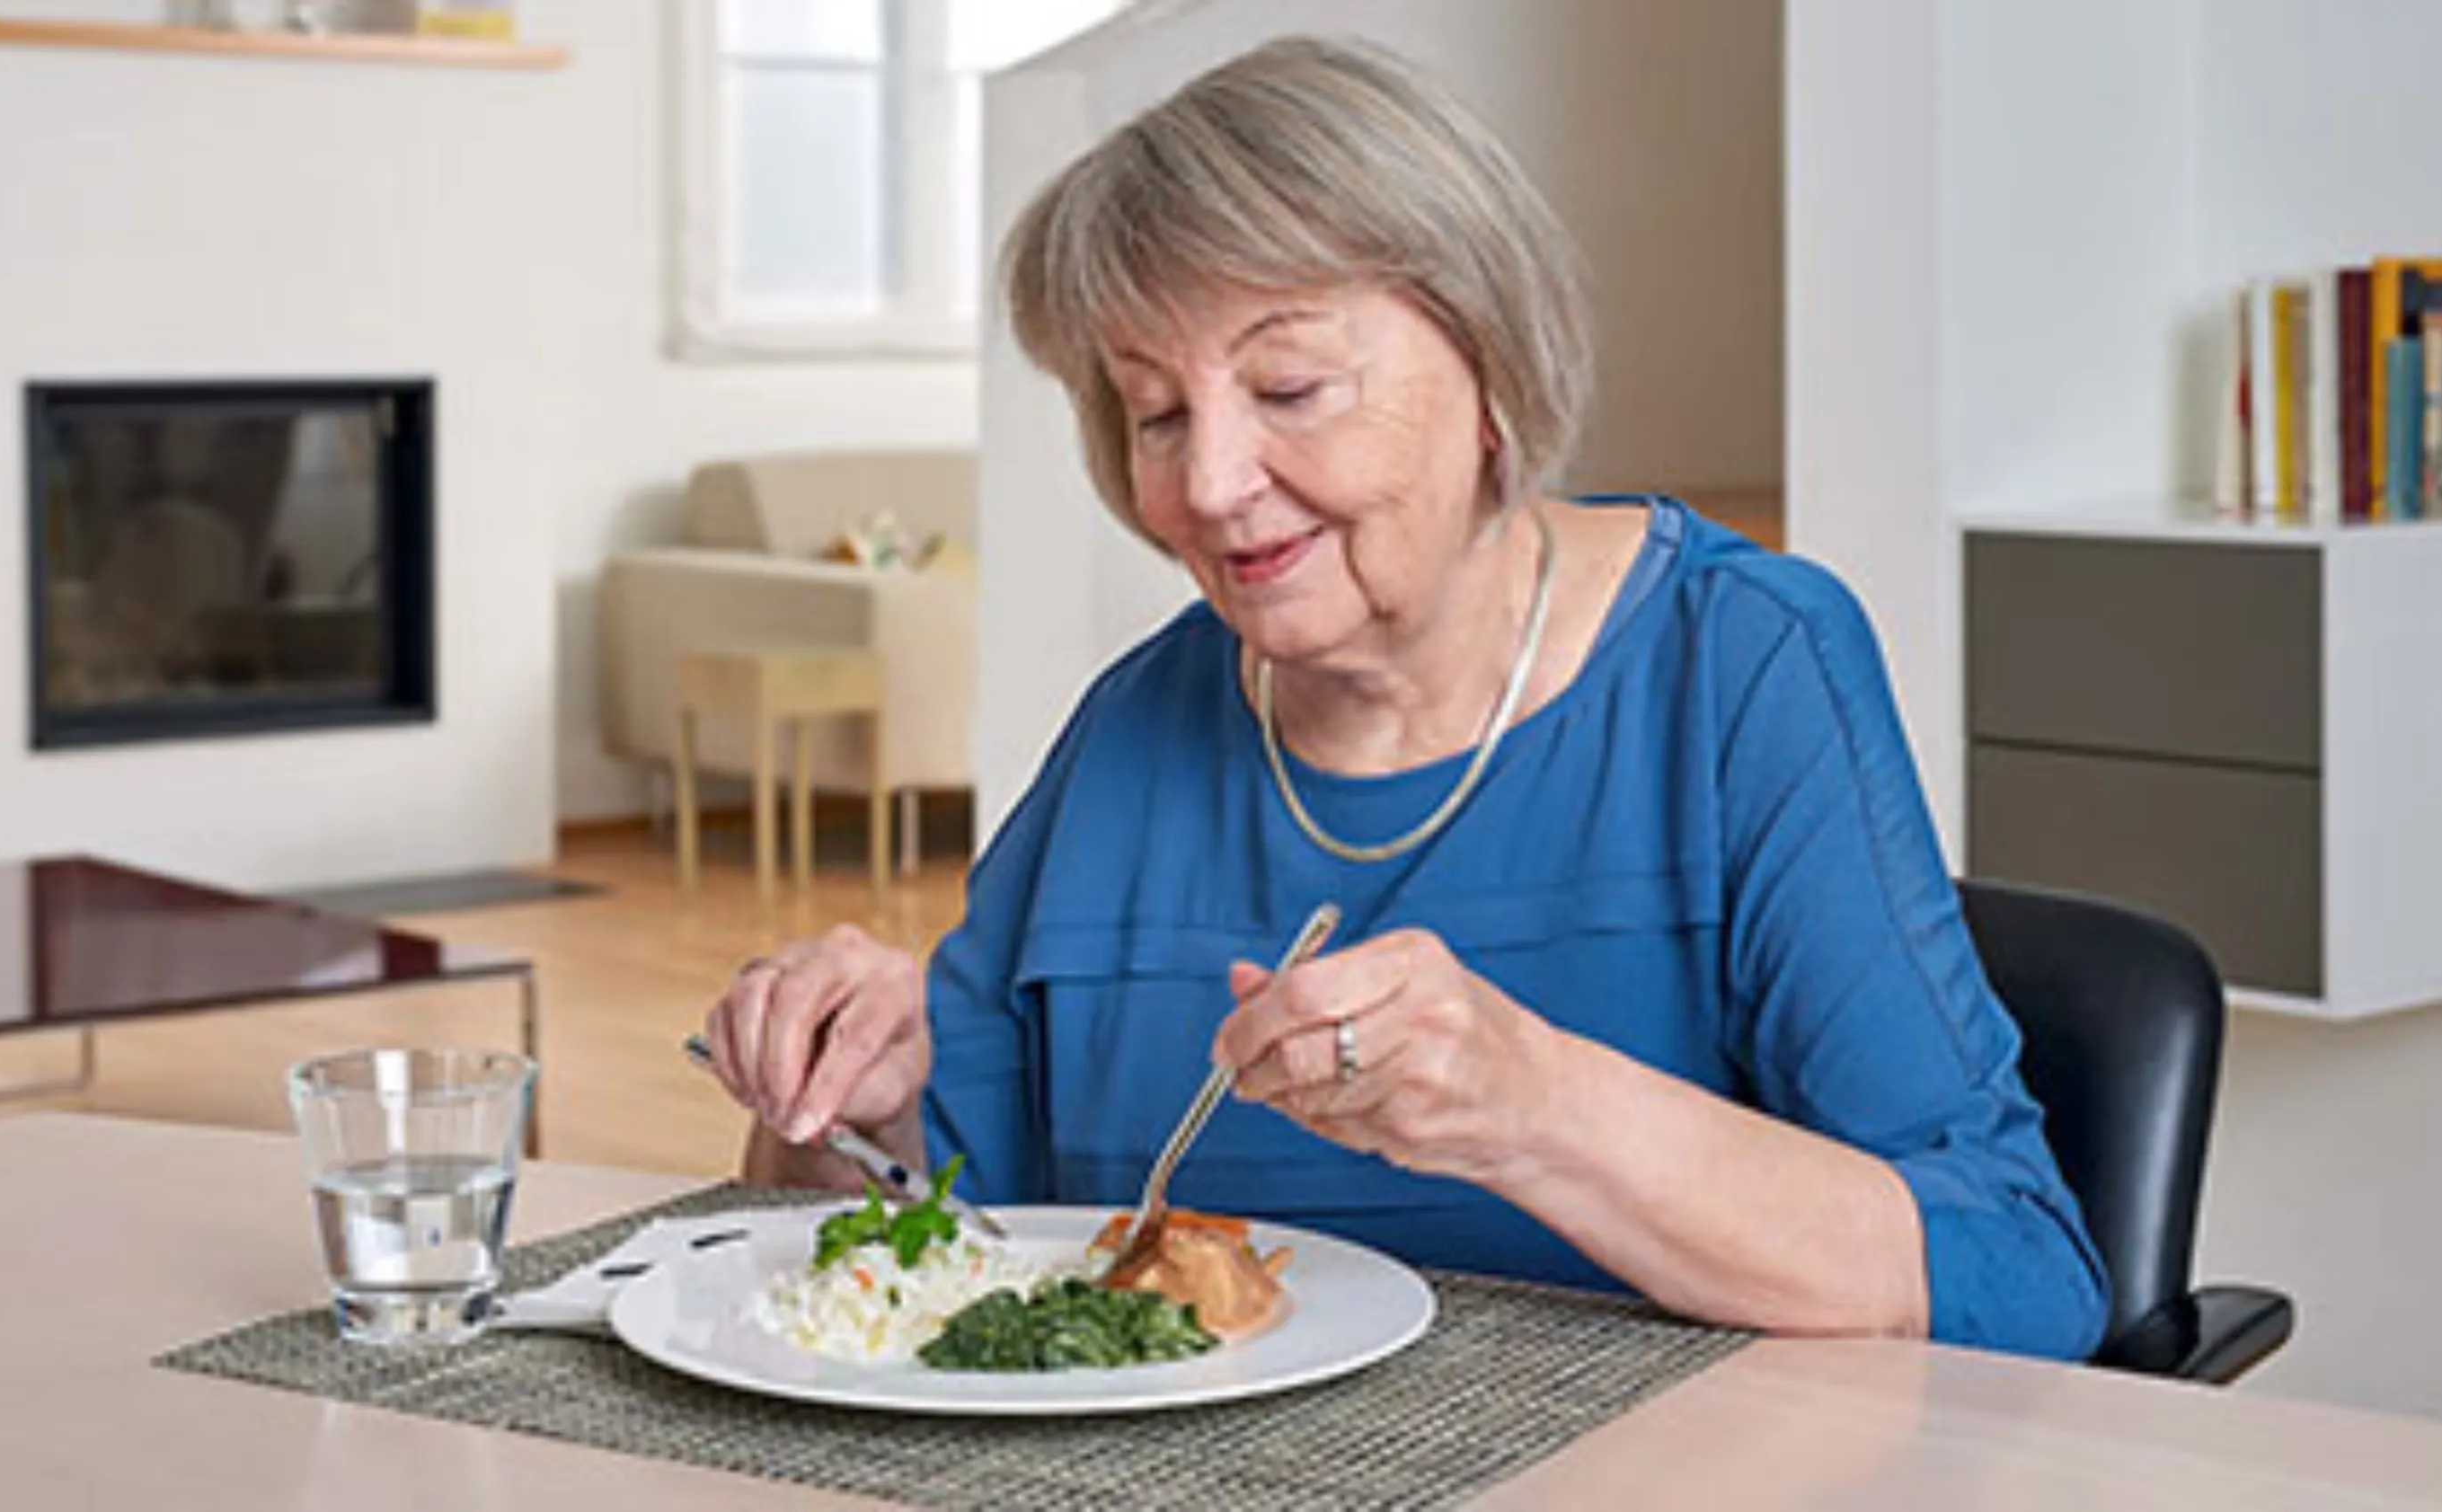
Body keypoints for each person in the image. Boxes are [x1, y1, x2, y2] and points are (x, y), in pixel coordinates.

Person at [700, 35, 2109, 1358]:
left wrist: (1533, 1106)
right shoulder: (1132, 731)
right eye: (1158, 413)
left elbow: (2018, 1276)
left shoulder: (1743, 669)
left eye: (1292, 387)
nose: (1207, 484)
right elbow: (920, 1235)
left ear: (1489, 360)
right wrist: (846, 1097)